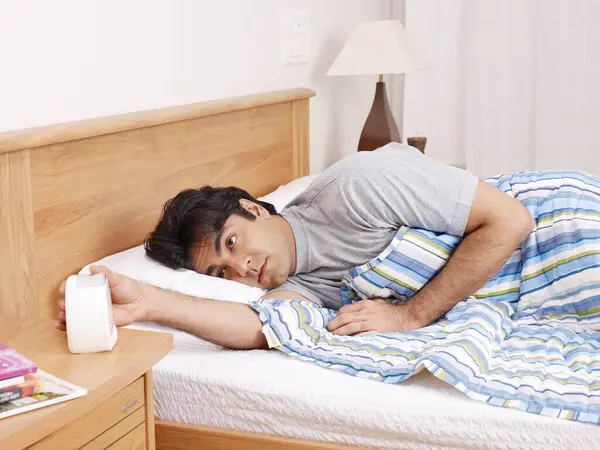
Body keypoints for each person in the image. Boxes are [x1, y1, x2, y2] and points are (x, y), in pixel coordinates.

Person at [57, 143, 534, 349]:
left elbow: (511, 218)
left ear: (255, 209)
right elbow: (259, 327)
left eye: (231, 242)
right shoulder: (294, 286)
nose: (242, 267)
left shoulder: (357, 186)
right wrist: (150, 303)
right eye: (223, 273)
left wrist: (410, 316)